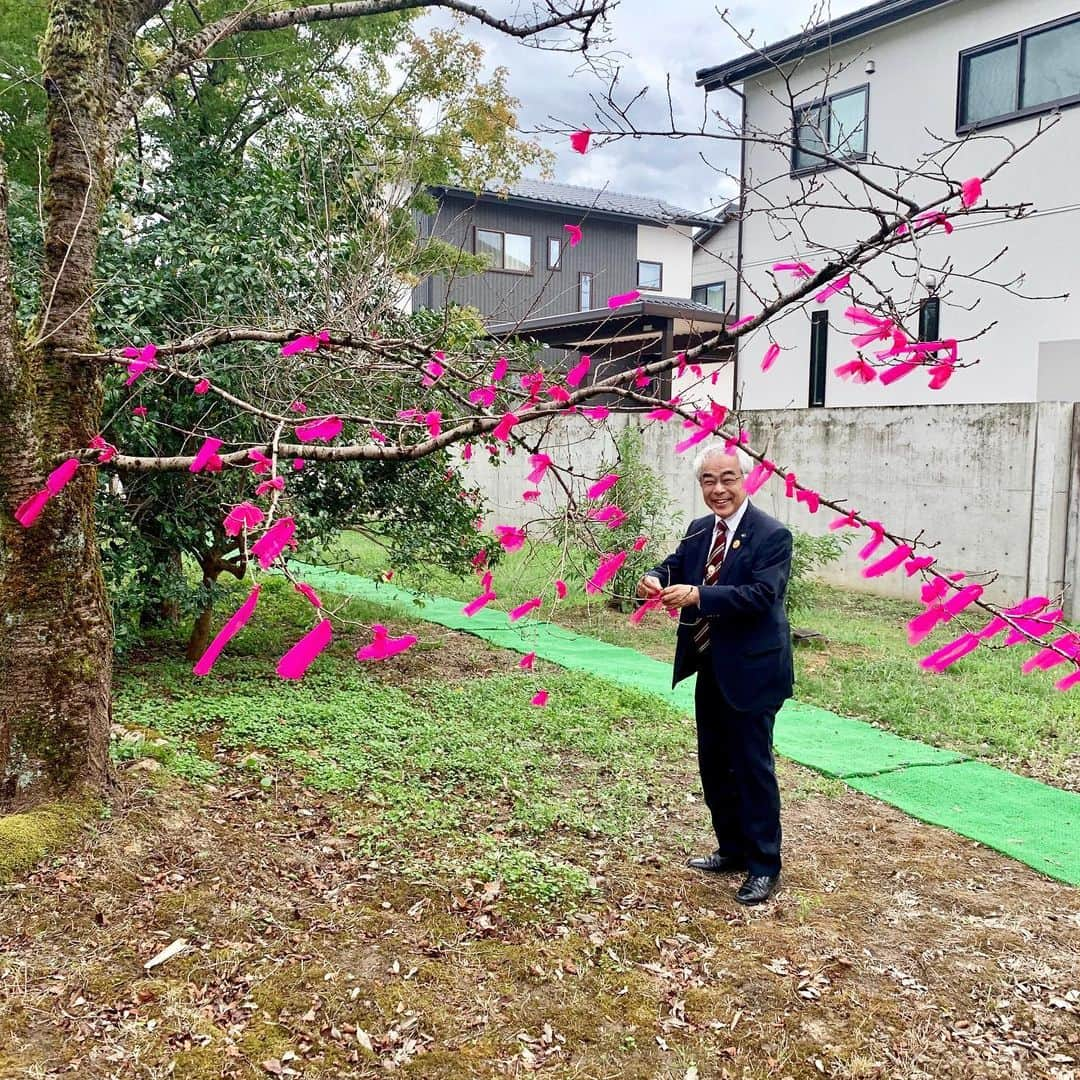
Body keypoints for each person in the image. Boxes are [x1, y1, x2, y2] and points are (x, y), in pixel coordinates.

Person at [637, 444, 793, 905]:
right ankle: (731, 849)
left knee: (751, 767)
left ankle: (764, 864)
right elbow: (674, 564)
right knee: (714, 764)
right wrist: (653, 576)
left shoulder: (772, 535)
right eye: (709, 480)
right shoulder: (699, 529)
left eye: (728, 478)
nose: (719, 489)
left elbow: (761, 595)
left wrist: (699, 596)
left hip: (754, 670)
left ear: (745, 479)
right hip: (710, 666)